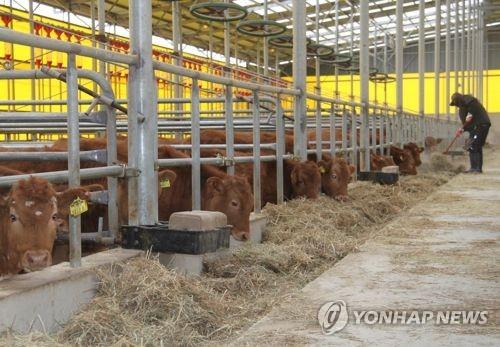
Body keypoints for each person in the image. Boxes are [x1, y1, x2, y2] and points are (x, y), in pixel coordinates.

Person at [450, 93, 491, 173]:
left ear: (458, 100)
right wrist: (461, 130)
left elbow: (469, 118)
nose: (457, 106)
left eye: (456, 104)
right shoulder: (467, 103)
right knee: (475, 146)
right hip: (478, 127)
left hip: (479, 126)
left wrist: (462, 129)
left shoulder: (471, 102)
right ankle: (476, 168)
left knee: (472, 145)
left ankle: (475, 168)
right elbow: (468, 120)